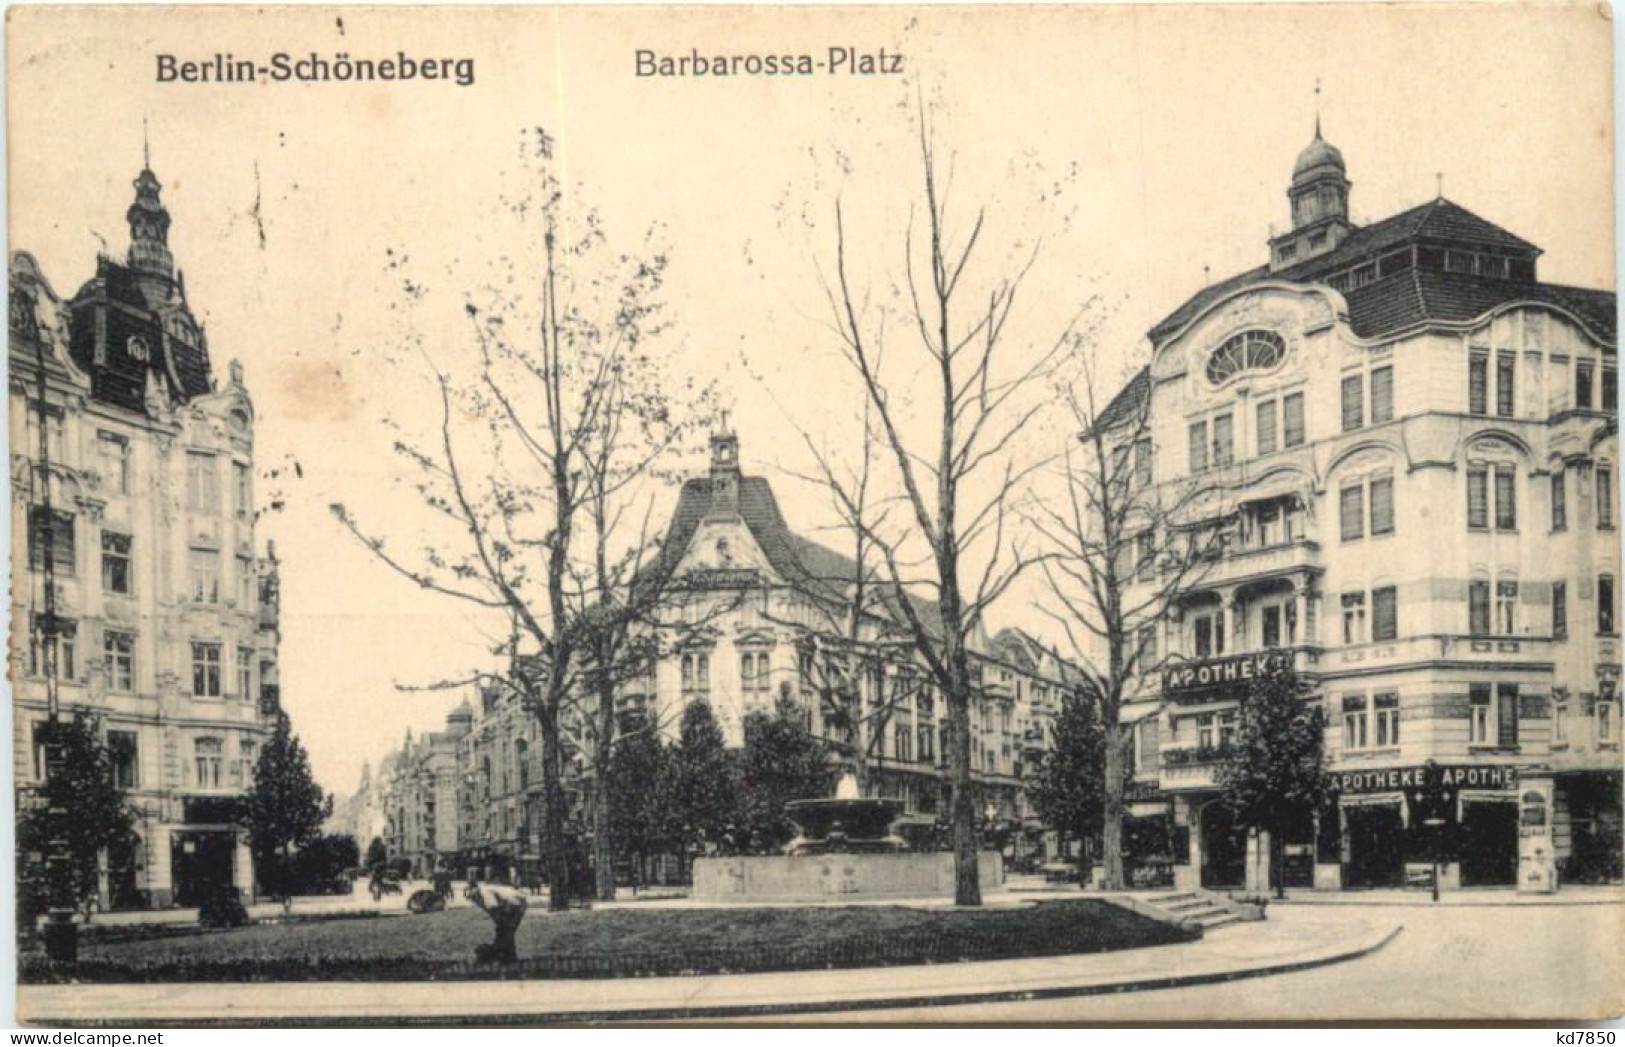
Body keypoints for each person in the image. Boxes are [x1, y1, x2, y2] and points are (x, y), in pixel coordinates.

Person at [465, 875, 528, 964]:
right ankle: (508, 956)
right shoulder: (483, 892)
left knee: (504, 932)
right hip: (515, 903)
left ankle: (500, 955)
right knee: (507, 933)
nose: (473, 899)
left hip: (516, 904)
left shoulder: (484, 893)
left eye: (472, 896)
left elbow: (496, 911)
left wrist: (500, 925)